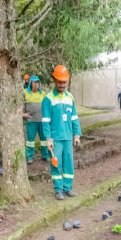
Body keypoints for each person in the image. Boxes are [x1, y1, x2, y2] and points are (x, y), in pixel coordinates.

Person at [42, 65, 81, 200]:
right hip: (55, 138)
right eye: (59, 82)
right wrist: (48, 138)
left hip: (68, 138)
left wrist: (77, 134)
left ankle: (67, 188)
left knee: (69, 164)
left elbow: (74, 117)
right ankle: (58, 189)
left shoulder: (70, 97)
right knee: (56, 164)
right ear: (54, 80)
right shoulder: (48, 99)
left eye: (64, 82)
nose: (62, 85)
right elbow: (45, 120)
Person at [23, 75, 50, 163]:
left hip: (42, 121)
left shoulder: (43, 94)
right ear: (31, 83)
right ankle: (30, 157)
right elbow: (20, 106)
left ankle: (45, 155)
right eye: (35, 82)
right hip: (31, 120)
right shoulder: (25, 93)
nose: (36, 84)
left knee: (44, 140)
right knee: (30, 140)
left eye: (38, 82)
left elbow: (47, 107)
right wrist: (23, 114)